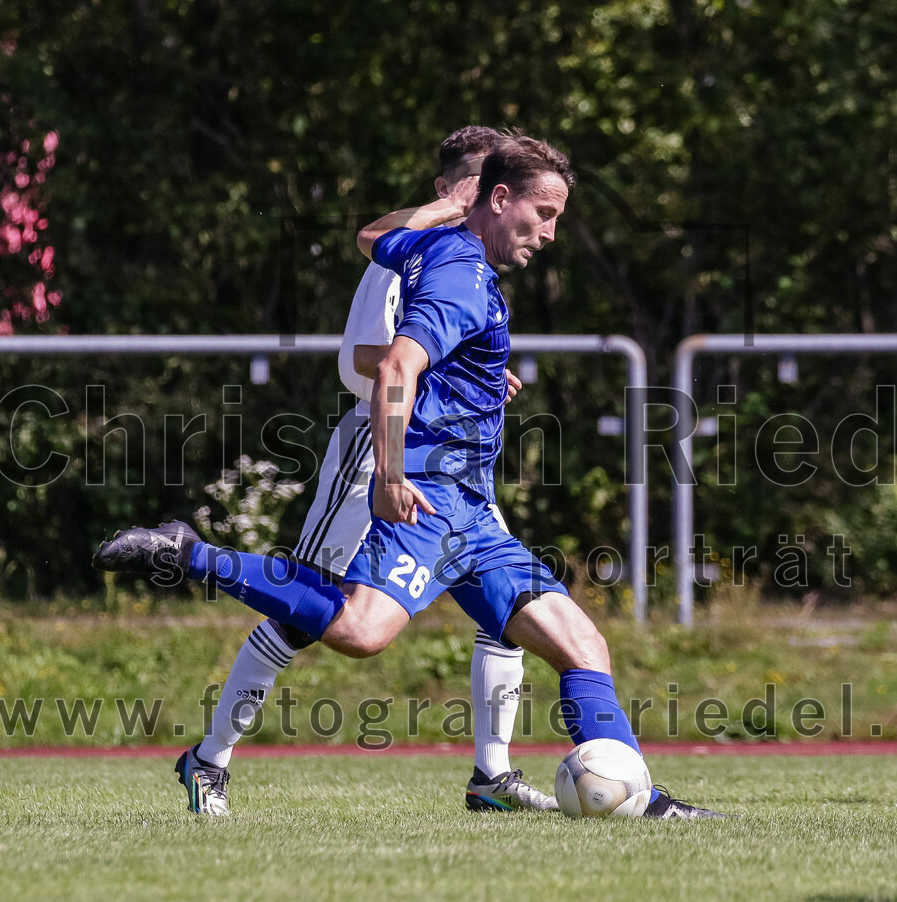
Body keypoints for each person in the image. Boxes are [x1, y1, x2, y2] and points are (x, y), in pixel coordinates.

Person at [94, 132, 723, 820]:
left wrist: (440, 240)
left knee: (582, 643)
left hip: (471, 509)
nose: (550, 234)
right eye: (543, 214)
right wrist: (391, 474)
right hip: (424, 494)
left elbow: (370, 236)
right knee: (358, 631)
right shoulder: (462, 275)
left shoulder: (437, 249)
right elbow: (392, 366)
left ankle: (635, 800)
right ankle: (190, 556)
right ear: (499, 197)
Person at [167, 127, 555, 817]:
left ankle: (490, 777)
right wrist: (436, 370)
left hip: (453, 472)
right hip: (378, 456)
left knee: (512, 603)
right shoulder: (405, 256)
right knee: (310, 613)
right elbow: (359, 362)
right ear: (448, 192)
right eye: (473, 184)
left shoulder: (471, 263)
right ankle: (208, 761)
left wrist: (484, 373)